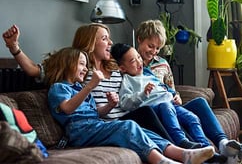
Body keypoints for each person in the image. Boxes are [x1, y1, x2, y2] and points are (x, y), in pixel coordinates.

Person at [43, 46, 215, 164]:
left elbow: (96, 112)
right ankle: (161, 161)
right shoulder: (59, 88)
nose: (85, 69)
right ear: (66, 64)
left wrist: (109, 105)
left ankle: (183, 154)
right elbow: (67, 108)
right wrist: (89, 87)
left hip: (95, 125)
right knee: (128, 126)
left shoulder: (79, 88)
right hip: (79, 131)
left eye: (85, 65)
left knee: (145, 131)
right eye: (81, 64)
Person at [2, 24, 172, 141]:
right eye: (105, 38)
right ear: (91, 42)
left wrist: (169, 92)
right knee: (149, 113)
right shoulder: (79, 70)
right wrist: (14, 47)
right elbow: (34, 70)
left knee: (161, 109)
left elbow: (142, 76)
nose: (111, 43)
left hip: (127, 114)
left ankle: (183, 148)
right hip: (106, 122)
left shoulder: (115, 66)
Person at [135, 19, 242, 162]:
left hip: (171, 104)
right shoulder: (130, 63)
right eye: (150, 46)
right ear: (139, 39)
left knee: (199, 102)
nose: (153, 51)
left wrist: (177, 97)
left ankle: (223, 143)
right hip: (156, 110)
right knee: (173, 114)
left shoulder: (163, 63)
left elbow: (171, 89)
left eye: (157, 48)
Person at [111, 43, 211, 149]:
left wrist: (174, 95)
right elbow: (124, 102)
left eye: (139, 57)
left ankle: (206, 147)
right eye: (132, 61)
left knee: (192, 118)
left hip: (170, 104)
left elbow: (165, 88)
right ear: (122, 68)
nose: (139, 62)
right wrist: (143, 94)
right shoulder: (127, 80)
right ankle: (181, 141)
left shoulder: (148, 74)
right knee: (166, 106)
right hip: (155, 108)